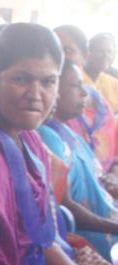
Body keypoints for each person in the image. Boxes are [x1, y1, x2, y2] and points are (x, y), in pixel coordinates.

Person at [0, 23, 118, 265]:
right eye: (21, 79)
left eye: (48, 82)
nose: (36, 94)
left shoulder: (30, 139)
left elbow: (40, 241)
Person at [38, 60, 118, 260]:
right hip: (85, 246)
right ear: (54, 89)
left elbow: (96, 181)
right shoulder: (46, 138)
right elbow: (64, 208)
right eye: (76, 86)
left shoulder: (66, 130)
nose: (85, 93)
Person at [56, 25, 118, 175]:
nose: (56, 56)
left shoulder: (101, 106)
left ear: (84, 56)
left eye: (67, 50)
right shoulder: (37, 109)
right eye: (54, 48)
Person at [84, 33, 118, 111]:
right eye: (101, 51)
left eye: (109, 52)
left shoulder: (114, 82)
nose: (105, 55)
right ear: (88, 52)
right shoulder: (75, 77)